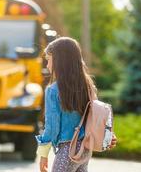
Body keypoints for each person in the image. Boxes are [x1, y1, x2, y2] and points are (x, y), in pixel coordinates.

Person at [35, 37, 117, 172]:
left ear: (59, 61)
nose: (47, 65)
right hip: (85, 148)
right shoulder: (88, 85)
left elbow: (51, 127)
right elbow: (93, 116)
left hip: (68, 150)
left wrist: (43, 155)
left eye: (49, 59)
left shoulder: (53, 90)